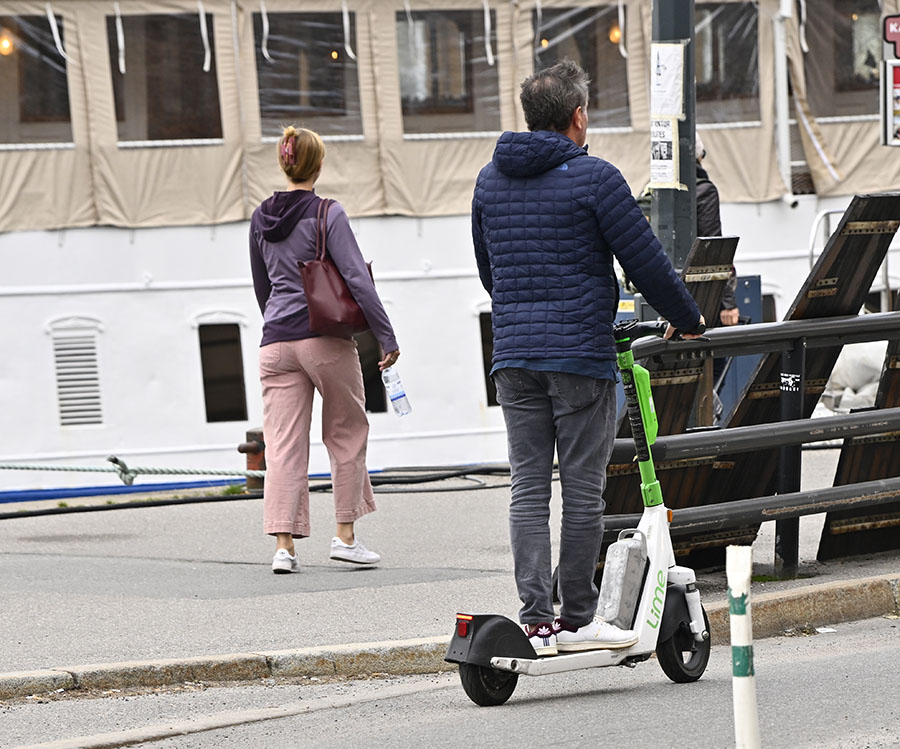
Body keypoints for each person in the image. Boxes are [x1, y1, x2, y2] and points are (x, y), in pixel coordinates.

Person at [472, 61, 705, 656]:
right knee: (581, 490)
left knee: (527, 487)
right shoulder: (594, 178)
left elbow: (488, 271)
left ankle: (535, 620)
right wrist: (688, 317)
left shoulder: (488, 181)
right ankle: (577, 616)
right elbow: (646, 259)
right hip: (578, 355)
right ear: (578, 117)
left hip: (514, 356)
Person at [249, 126, 400, 574]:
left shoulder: (260, 217)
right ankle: (345, 536)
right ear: (318, 165)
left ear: (284, 163)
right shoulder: (327, 213)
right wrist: (386, 336)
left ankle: (283, 547)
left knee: (282, 445)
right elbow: (356, 278)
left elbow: (263, 286)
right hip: (324, 340)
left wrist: (279, 324)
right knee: (346, 434)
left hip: (275, 342)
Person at [695, 132, 740, 327]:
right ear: (699, 156)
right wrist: (728, 303)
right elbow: (714, 247)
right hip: (700, 295)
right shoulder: (704, 191)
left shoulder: (652, 190)